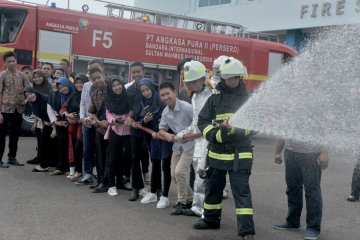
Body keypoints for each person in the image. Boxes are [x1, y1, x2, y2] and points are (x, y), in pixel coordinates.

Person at [193, 57, 255, 240]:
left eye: (235, 78)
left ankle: (246, 231)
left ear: (240, 78)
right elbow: (203, 121)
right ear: (223, 78)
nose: (232, 81)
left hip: (239, 156)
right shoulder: (214, 98)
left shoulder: (248, 99)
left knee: (242, 193)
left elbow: (255, 126)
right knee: (212, 189)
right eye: (229, 78)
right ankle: (211, 220)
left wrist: (235, 131)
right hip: (217, 154)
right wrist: (217, 135)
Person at [273, 138, 329, 240]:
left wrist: (324, 152)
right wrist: (277, 151)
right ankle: (293, 221)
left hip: (311, 153)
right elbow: (282, 130)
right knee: (292, 188)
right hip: (290, 152)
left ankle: (313, 227)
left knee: (312, 191)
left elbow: (325, 129)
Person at [180, 60, 214, 217]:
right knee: (198, 173)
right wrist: (182, 134)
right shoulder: (194, 97)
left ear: (203, 78)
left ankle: (206, 210)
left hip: (210, 140)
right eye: (189, 82)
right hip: (198, 142)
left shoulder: (213, 95)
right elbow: (195, 123)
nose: (192, 85)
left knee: (203, 173)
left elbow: (211, 125)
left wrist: (190, 135)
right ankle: (197, 207)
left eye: (195, 81)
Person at [158, 82, 195, 215]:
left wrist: (186, 133)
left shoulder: (187, 107)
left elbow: (198, 123)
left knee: (179, 172)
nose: (165, 97)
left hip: (191, 144)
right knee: (174, 174)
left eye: (168, 93)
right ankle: (191, 198)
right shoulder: (165, 111)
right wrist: (167, 134)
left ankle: (181, 203)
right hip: (177, 146)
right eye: (162, 95)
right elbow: (161, 128)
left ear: (174, 92)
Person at [138, 78, 173, 208]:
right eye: (143, 91)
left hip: (166, 139)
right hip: (154, 139)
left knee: (166, 167)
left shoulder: (163, 102)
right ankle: (153, 192)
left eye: (147, 89)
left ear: (153, 89)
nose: (146, 93)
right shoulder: (144, 103)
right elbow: (141, 122)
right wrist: (145, 121)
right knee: (155, 165)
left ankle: (165, 196)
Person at [76, 59, 105, 186]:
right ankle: (87, 174)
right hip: (87, 122)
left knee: (100, 150)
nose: (92, 71)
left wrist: (97, 120)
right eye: (89, 69)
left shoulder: (107, 84)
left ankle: (101, 176)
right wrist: (82, 118)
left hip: (101, 123)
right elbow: (83, 103)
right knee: (87, 149)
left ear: (101, 69)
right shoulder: (87, 85)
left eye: (95, 68)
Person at [0, 51, 30, 168]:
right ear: (5, 63)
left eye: (13, 61)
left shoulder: (22, 75)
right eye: (9, 61)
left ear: (16, 61)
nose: (12, 63)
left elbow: (28, 89)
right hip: (5, 110)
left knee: (15, 135)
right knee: (1, 135)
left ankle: (12, 157)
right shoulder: (2, 75)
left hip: (19, 109)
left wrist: (28, 98)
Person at [126, 61, 150, 201]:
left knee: (151, 156)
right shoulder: (129, 90)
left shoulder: (150, 86)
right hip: (135, 127)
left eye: (138, 71)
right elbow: (129, 108)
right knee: (134, 157)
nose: (136, 74)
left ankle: (156, 190)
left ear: (143, 71)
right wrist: (129, 118)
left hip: (148, 127)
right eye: (133, 72)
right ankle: (136, 188)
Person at [103, 75, 131, 196]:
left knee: (127, 157)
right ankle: (111, 185)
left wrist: (129, 118)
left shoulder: (128, 96)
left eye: (119, 84)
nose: (117, 87)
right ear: (110, 87)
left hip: (128, 130)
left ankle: (121, 181)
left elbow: (132, 109)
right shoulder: (108, 99)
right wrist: (114, 120)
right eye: (114, 86)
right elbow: (108, 113)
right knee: (113, 157)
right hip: (115, 130)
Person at [59, 74, 87, 182]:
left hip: (83, 126)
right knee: (75, 149)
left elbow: (88, 112)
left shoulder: (87, 95)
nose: (79, 85)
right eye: (77, 83)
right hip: (73, 128)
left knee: (82, 149)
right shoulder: (73, 95)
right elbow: (62, 109)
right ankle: (77, 171)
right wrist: (67, 115)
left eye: (81, 82)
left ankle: (84, 172)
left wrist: (77, 120)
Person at [24, 87, 56, 172]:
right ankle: (47, 164)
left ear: (35, 92)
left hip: (54, 124)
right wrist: (36, 122)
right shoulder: (33, 102)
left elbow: (52, 113)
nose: (30, 96)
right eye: (27, 96)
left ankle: (44, 166)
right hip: (47, 124)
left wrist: (54, 127)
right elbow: (38, 113)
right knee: (45, 144)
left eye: (31, 93)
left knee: (46, 145)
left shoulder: (45, 99)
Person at [88, 67, 109, 193]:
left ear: (104, 76)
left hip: (112, 129)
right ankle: (100, 180)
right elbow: (92, 112)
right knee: (99, 156)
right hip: (99, 129)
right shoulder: (94, 93)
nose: (97, 81)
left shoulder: (112, 90)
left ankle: (107, 182)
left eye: (99, 77)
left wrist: (106, 122)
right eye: (94, 79)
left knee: (109, 156)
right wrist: (97, 121)